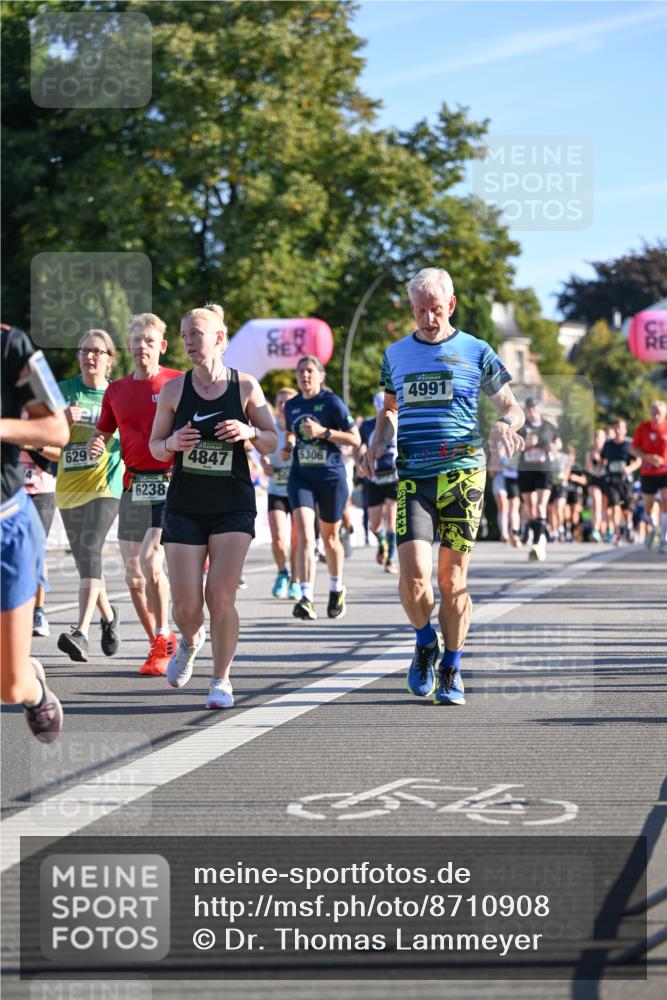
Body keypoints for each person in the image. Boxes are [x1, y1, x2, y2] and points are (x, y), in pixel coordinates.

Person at [360, 268, 524, 706]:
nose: (428, 319)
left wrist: (505, 426)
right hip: (414, 474)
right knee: (414, 577)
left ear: (450, 305)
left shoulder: (477, 350)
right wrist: (376, 442)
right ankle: (424, 641)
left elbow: (511, 405)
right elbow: (389, 411)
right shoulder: (395, 354)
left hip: (464, 475)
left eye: (435, 310)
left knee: (452, 580)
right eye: (419, 311)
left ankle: (452, 664)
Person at [149, 303, 277, 709]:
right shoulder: (174, 390)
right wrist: (172, 444)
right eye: (184, 335)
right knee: (187, 606)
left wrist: (249, 431)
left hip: (232, 507)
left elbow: (275, 440)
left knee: (219, 596)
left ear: (219, 338)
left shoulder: (246, 388)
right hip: (185, 506)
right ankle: (190, 640)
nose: (188, 342)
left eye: (196, 334)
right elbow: (154, 447)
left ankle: (221, 680)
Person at [88, 314, 182, 674]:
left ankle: (163, 633)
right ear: (128, 346)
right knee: (133, 576)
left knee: (151, 559)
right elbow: (104, 431)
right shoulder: (116, 391)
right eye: (136, 340)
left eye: (148, 340)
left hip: (170, 480)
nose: (141, 346)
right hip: (134, 484)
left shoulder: (177, 382)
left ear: (161, 345)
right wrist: (98, 442)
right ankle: (159, 642)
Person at [1, 324, 69, 741]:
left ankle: (33, 687)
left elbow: (57, 432)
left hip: (6, 524)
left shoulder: (11, 345)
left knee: (8, 685)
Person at [55, 329, 123, 662]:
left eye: (97, 351)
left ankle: (80, 632)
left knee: (91, 548)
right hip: (69, 488)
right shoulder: (64, 392)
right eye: (84, 350)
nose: (89, 356)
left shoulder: (117, 394)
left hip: (105, 485)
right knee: (86, 561)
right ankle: (109, 616)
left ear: (110, 360)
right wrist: (60, 423)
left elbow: (135, 434)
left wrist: (108, 437)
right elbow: (45, 434)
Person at [282, 355, 360, 621]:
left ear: (320, 375)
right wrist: (289, 444)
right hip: (301, 476)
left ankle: (337, 588)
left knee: (329, 538)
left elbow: (354, 438)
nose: (305, 376)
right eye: (301, 371)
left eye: (310, 371)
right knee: (304, 534)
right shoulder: (291, 405)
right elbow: (291, 432)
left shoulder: (331, 402)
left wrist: (323, 432)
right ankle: (306, 597)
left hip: (330, 476)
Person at [260, 387, 300, 601]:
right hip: (276, 489)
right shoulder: (271, 428)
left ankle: (295, 581)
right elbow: (262, 453)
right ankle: (282, 572)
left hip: (298, 490)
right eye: (280, 401)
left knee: (295, 540)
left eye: (288, 401)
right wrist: (265, 462)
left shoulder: (302, 426)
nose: (284, 406)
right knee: (278, 539)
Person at [20, 437, 59, 635]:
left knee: (36, 551)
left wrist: (30, 444)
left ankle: (38, 612)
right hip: (8, 491)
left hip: (40, 492)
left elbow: (60, 452)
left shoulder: (41, 411)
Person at [358, 391, 398, 572]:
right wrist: (360, 462)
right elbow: (359, 447)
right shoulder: (367, 425)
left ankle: (390, 559)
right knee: (375, 524)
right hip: (374, 475)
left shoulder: (399, 420)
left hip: (393, 474)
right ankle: (382, 543)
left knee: (392, 518)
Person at [517, 398, 558, 561]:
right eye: (529, 409)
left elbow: (558, 445)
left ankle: (538, 543)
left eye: (534, 408)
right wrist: (528, 444)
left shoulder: (548, 427)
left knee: (541, 505)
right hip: (526, 470)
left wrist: (550, 447)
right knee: (530, 507)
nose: (531, 412)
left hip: (544, 470)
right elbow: (516, 445)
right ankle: (539, 534)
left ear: (539, 409)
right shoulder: (522, 427)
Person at [630, 400, 667, 553]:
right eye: (653, 412)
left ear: (664, 413)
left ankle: (664, 538)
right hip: (648, 472)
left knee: (666, 501)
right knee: (648, 506)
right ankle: (652, 527)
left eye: (659, 412)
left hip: (665, 471)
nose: (656, 415)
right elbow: (633, 449)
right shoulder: (643, 428)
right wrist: (648, 457)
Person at [602, 419, 640, 545]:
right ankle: (617, 533)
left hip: (625, 481)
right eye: (615, 427)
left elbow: (638, 461)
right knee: (614, 505)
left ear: (625, 430)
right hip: (611, 479)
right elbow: (603, 460)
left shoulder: (630, 444)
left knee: (626, 509)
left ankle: (628, 526)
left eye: (620, 428)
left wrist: (629, 468)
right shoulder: (607, 445)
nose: (617, 430)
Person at [584, 429, 608, 543]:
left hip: (606, 481)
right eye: (596, 437)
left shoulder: (608, 451)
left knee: (606, 507)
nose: (597, 440)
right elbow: (588, 468)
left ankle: (606, 530)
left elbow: (608, 466)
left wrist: (601, 461)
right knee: (596, 504)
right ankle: (595, 530)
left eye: (600, 438)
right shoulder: (590, 452)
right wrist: (595, 468)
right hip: (594, 480)